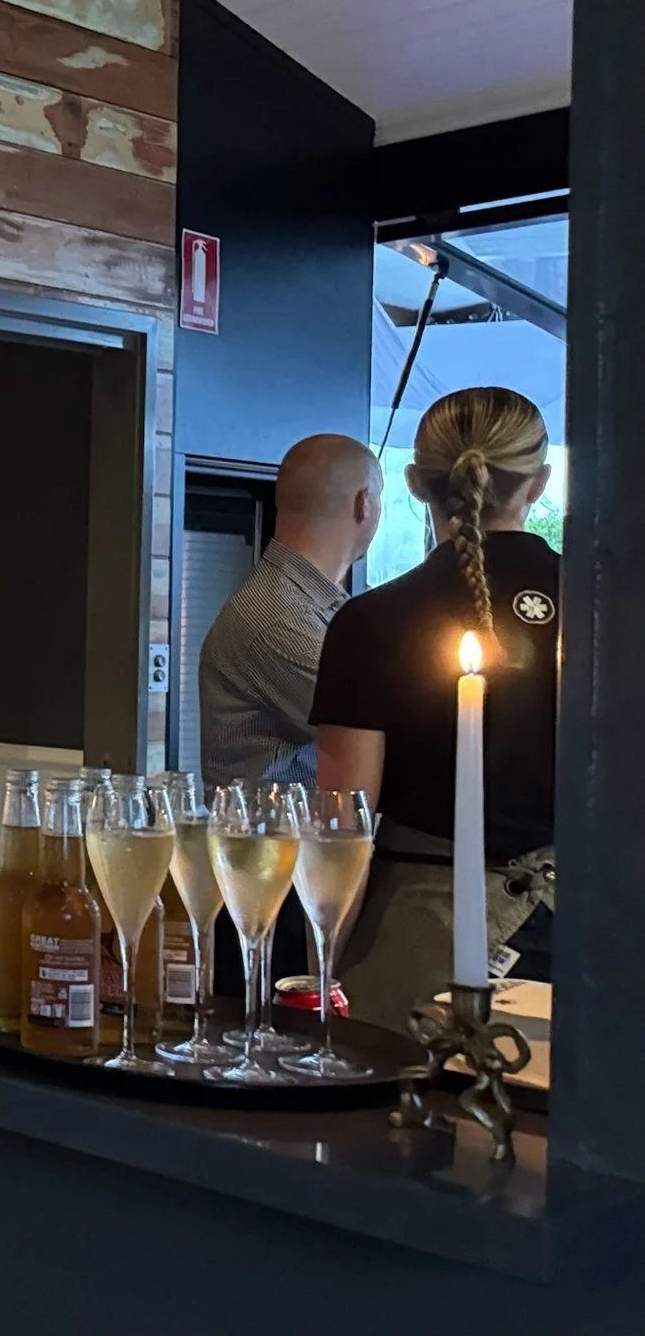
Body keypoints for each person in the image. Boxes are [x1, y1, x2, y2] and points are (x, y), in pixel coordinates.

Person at [313, 387, 556, 1030]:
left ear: (418, 484)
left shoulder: (371, 622)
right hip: (592, 934)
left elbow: (344, 832)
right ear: (538, 483)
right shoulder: (607, 607)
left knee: (402, 1120)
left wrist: (316, 975)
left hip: (423, 938)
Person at [198, 434, 383, 787]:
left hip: (294, 837)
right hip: (274, 840)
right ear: (364, 504)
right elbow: (383, 721)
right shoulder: (279, 617)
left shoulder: (317, 606)